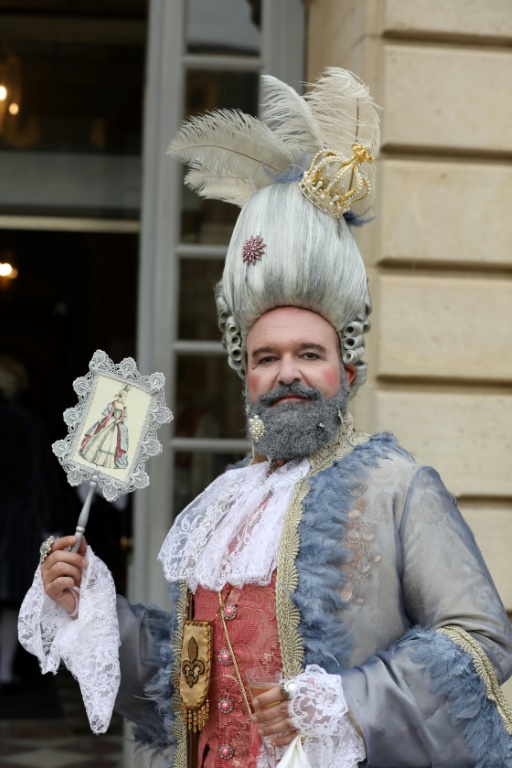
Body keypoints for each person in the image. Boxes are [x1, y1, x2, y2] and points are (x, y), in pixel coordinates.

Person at [19, 69, 512, 768]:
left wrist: (346, 701)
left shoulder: (400, 487)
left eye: (309, 353)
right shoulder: (224, 503)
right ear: (245, 375)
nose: (287, 374)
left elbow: (480, 638)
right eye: (266, 357)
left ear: (346, 369)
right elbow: (187, 683)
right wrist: (91, 607)